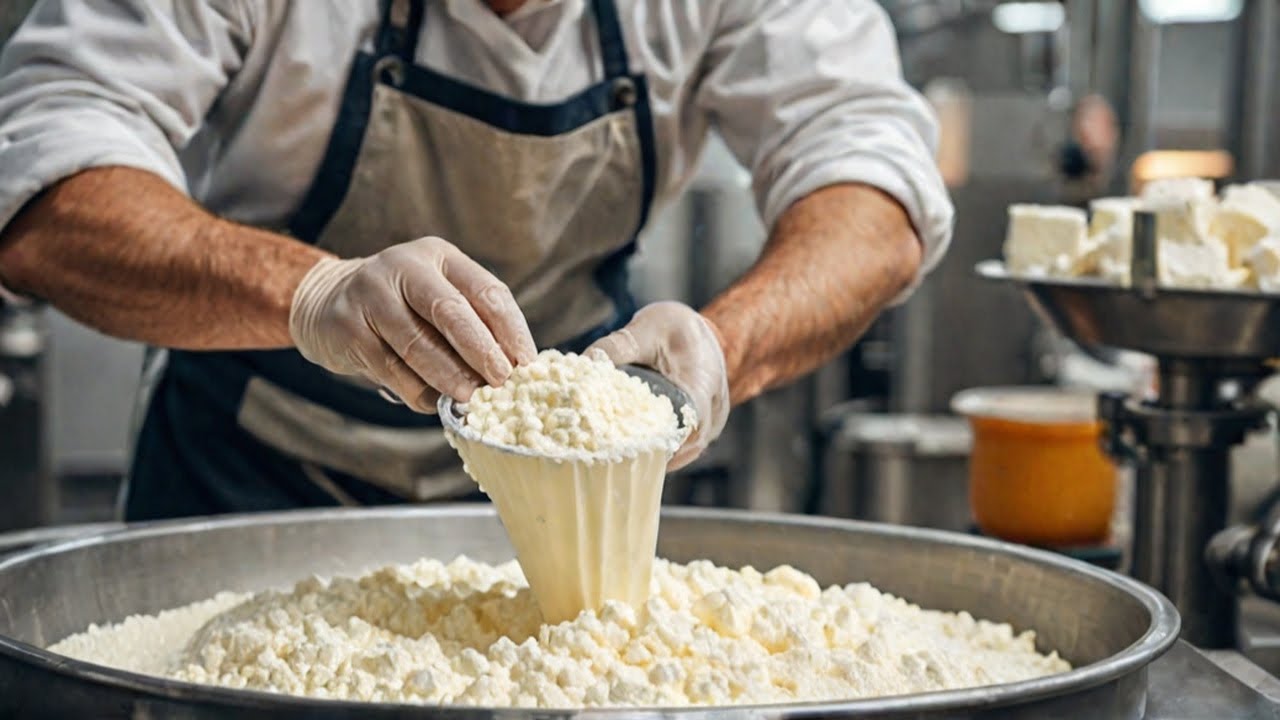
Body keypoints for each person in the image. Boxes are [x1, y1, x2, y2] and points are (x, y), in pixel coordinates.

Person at [0, 0, 953, 521]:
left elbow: (871, 181)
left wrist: (723, 348)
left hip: (563, 500)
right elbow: (43, 178)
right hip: (254, 479)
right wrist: (314, 292)